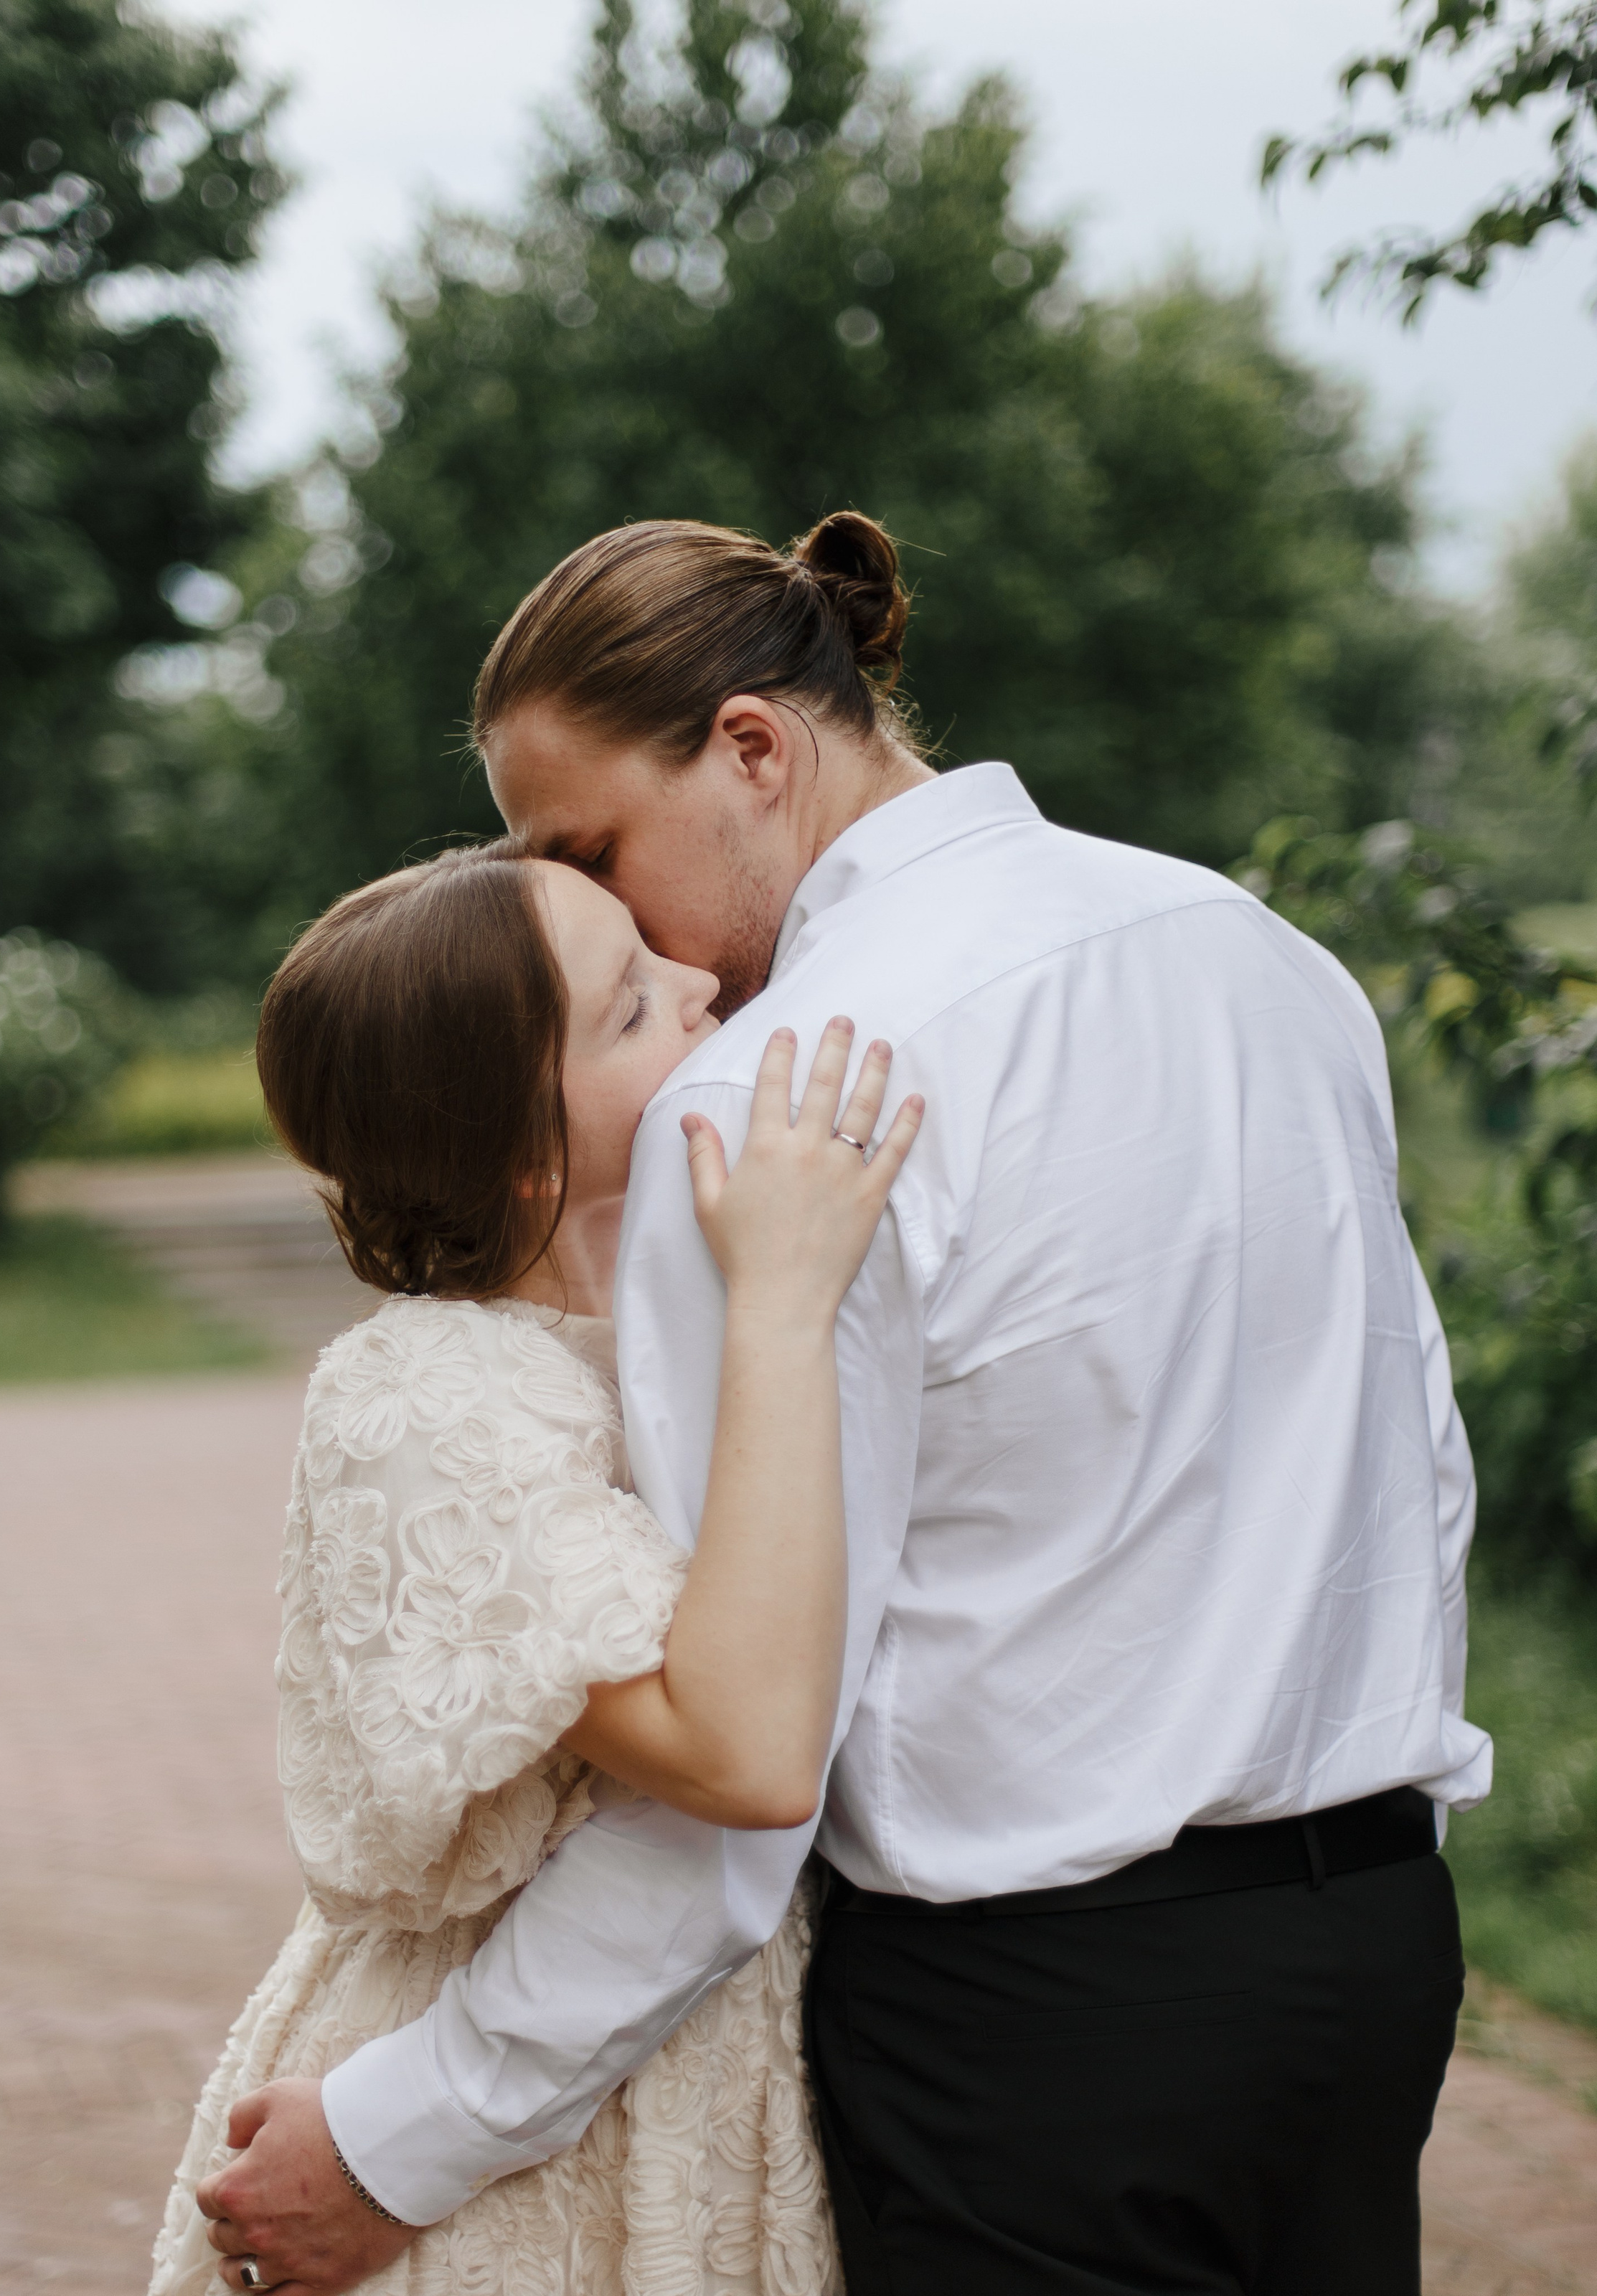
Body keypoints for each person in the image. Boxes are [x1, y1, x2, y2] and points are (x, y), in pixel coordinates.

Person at [198, 511, 1492, 2296]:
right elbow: (1412, 1475)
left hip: (1029, 2028)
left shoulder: (767, 1105)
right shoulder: (1261, 959)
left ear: (749, 749)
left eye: (587, 844)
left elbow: (738, 1779)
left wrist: (403, 2129)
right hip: (1372, 1960)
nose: (594, 906)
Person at [152, 839, 920, 2295]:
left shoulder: (650, 1350)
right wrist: (778, 1299)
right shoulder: (436, 1393)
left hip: (713, 2069)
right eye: (630, 1007)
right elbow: (738, 1756)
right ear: (518, 1148)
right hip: (512, 2143)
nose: (704, 982)